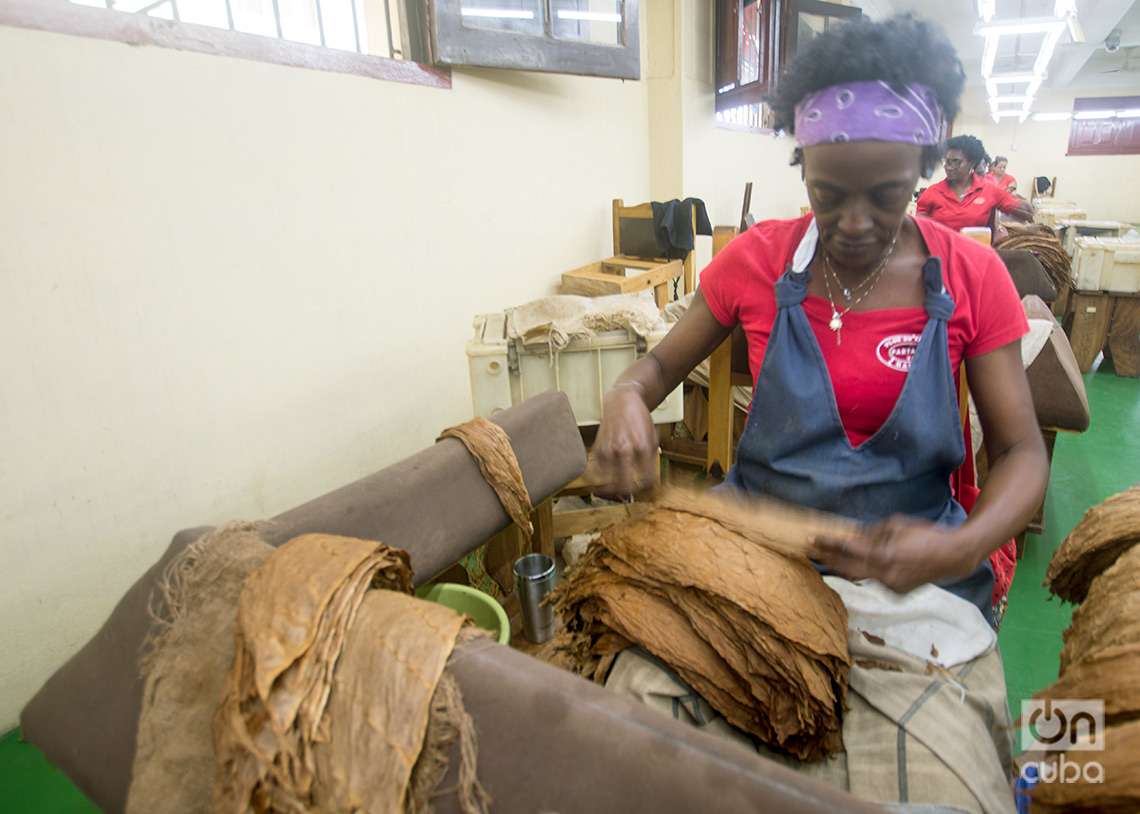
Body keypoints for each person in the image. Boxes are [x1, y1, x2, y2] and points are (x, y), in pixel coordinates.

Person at [589, 14, 1048, 627]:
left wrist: (960, 547)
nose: (854, 223)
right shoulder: (756, 261)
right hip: (757, 553)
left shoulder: (971, 275)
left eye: (885, 195)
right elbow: (655, 369)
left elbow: (1021, 450)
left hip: (915, 569)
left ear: (923, 168)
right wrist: (625, 399)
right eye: (828, 195)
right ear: (802, 164)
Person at [916, 135, 1033, 230]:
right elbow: (919, 231)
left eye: (956, 162)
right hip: (940, 256)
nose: (948, 167)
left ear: (972, 163)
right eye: (947, 162)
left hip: (975, 256)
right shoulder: (933, 193)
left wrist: (1017, 202)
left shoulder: (989, 191)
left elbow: (1027, 212)